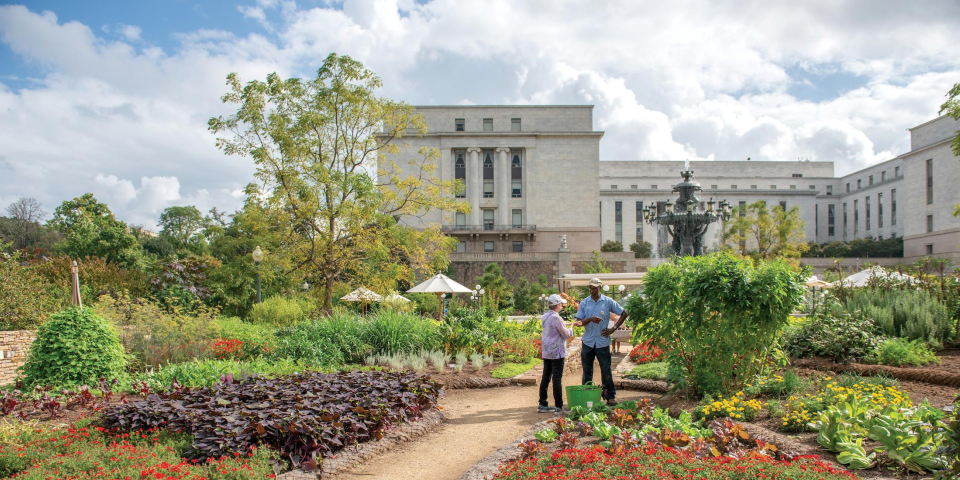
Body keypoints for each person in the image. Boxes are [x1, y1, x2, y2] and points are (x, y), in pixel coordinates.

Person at [574, 278, 630, 406]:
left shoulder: (607, 302)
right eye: (590, 288)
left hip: (602, 342)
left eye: (594, 288)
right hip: (588, 341)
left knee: (606, 370)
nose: (591, 290)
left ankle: (610, 396)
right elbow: (579, 322)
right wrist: (590, 319)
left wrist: (613, 328)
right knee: (587, 371)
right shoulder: (584, 303)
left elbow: (624, 313)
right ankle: (587, 397)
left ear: (600, 288)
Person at [539, 294, 573, 413]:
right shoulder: (557, 317)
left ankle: (542, 404)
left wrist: (565, 325)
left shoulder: (546, 316)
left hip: (547, 351)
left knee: (546, 377)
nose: (562, 306)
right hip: (557, 352)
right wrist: (572, 326)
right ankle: (559, 406)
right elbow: (566, 334)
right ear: (557, 305)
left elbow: (554, 328)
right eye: (561, 305)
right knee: (557, 378)